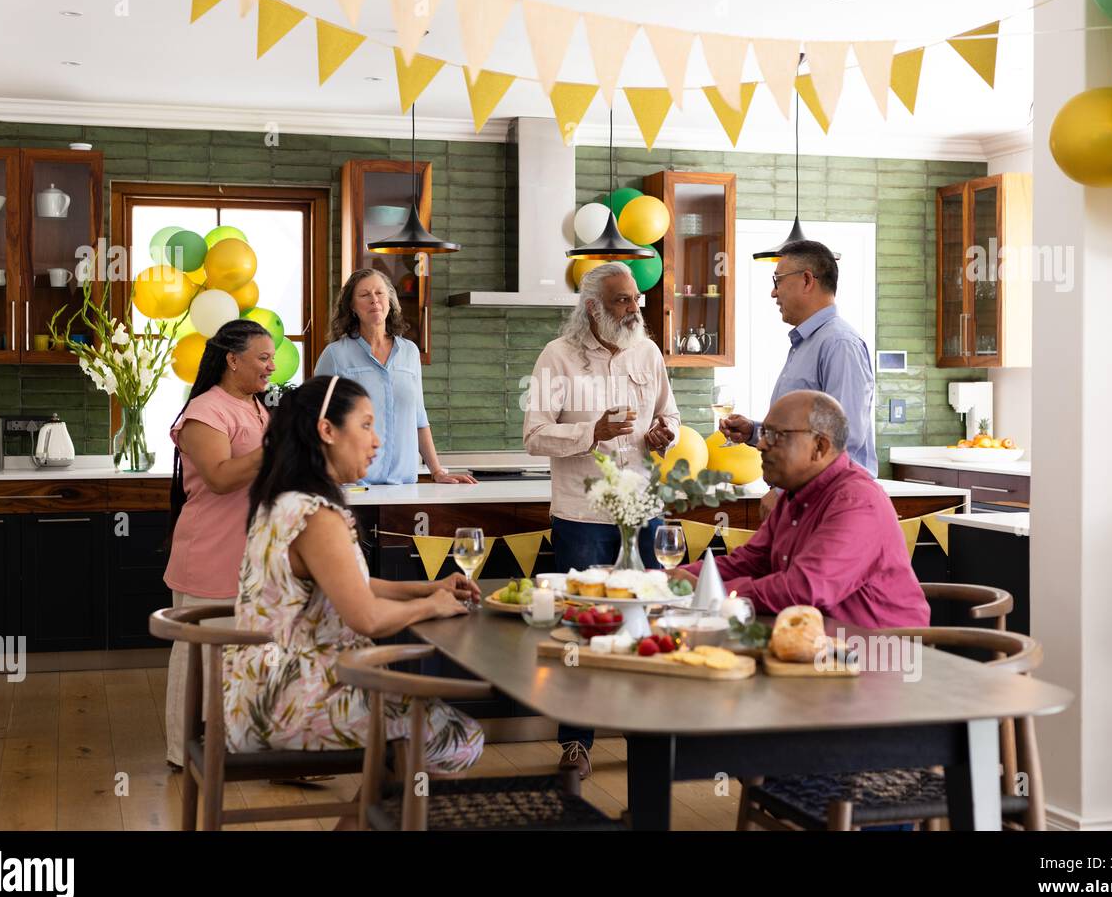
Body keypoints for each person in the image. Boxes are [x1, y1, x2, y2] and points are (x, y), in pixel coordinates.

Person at [223, 376, 484, 796]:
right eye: (365, 425)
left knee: (414, 727)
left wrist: (426, 588)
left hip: (254, 695)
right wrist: (432, 607)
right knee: (458, 736)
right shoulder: (317, 516)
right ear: (327, 430)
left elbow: (352, 585)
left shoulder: (282, 501)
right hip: (290, 705)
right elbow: (365, 617)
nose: (377, 441)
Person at [522, 260, 679, 781]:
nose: (635, 307)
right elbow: (535, 435)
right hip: (583, 516)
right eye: (622, 300)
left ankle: (652, 736)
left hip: (643, 512)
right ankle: (575, 744)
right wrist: (592, 429)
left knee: (648, 623)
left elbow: (671, 417)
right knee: (580, 631)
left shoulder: (648, 352)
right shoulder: (556, 358)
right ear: (592, 307)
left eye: (635, 298)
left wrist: (664, 435)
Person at [672, 390, 928, 628]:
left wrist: (711, 592)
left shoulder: (857, 501)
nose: (760, 445)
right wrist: (666, 580)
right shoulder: (795, 493)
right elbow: (749, 562)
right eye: (763, 435)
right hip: (813, 646)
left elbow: (805, 589)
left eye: (774, 436)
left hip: (880, 655)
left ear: (820, 447)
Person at [162, 319, 276, 767]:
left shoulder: (256, 407)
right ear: (232, 360)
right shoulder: (205, 412)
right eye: (262, 357)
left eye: (271, 357)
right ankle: (183, 753)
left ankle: (240, 747)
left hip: (252, 555)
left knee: (246, 658)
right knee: (197, 661)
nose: (271, 366)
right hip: (211, 552)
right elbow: (222, 477)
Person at [722, 240, 877, 518]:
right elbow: (808, 433)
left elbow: (843, 439)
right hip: (809, 503)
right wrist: (754, 432)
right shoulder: (807, 343)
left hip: (831, 506)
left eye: (777, 280)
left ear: (807, 280)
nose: (773, 292)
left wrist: (784, 493)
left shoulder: (839, 344)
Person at [315, 268, 474, 485]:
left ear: (390, 301)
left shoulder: (410, 352)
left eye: (379, 293)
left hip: (404, 485)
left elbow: (419, 418)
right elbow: (316, 422)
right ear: (352, 306)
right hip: (353, 487)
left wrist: (437, 471)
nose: (374, 300)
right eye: (364, 295)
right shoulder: (335, 355)